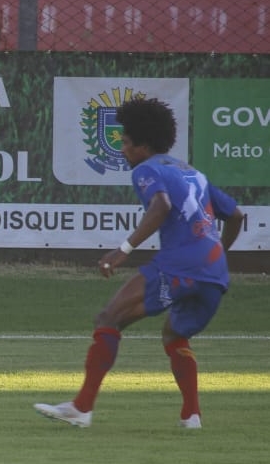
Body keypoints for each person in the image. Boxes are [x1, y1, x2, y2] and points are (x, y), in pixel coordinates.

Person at [34, 96, 244, 429]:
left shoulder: (147, 170)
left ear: (144, 146)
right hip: (214, 274)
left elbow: (159, 207)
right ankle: (191, 416)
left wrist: (123, 249)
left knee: (109, 317)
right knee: (174, 336)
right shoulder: (193, 173)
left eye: (127, 143)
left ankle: (81, 408)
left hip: (179, 265)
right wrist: (218, 256)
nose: (123, 150)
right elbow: (236, 215)